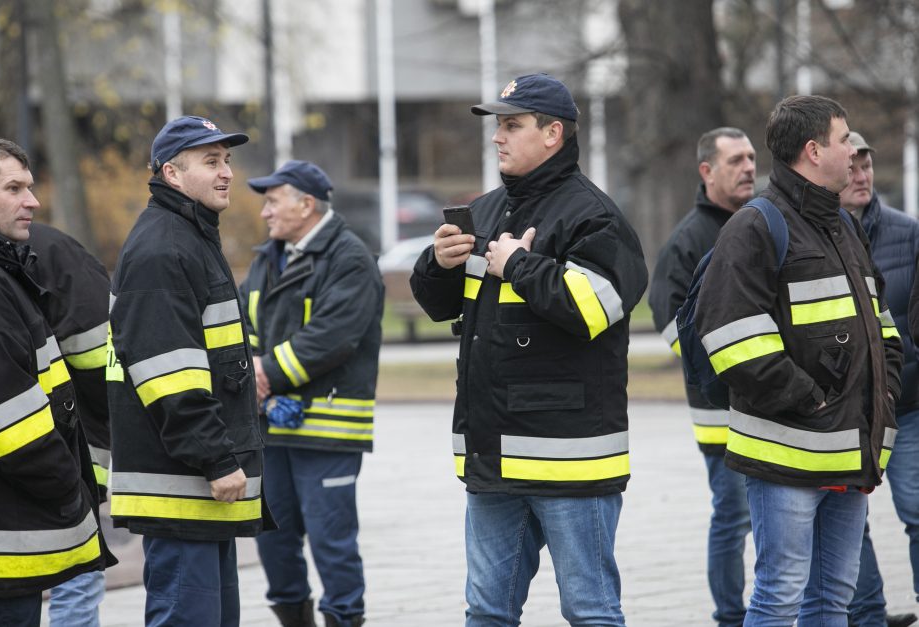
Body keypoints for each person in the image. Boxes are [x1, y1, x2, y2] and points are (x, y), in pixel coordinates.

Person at [410, 73, 648, 626]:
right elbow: (444, 306)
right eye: (497, 125)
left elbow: (595, 308)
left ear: (553, 133)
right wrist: (437, 263)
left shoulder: (596, 216)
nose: (498, 137)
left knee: (590, 611)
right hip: (493, 460)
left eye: (512, 125)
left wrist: (519, 265)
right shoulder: (488, 209)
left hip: (570, 461)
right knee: (488, 612)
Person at [695, 95, 904, 626]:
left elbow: (881, 328)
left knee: (834, 596)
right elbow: (730, 336)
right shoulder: (754, 227)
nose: (854, 154)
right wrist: (811, 400)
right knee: (781, 594)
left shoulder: (844, 226)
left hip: (846, 450)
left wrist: (882, 393)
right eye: (843, 140)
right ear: (813, 151)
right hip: (789, 455)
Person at [107, 116, 268, 627]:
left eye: (227, 162)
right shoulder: (165, 248)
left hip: (194, 486)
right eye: (211, 162)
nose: (226, 174)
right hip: (183, 485)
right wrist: (217, 460)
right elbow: (169, 374)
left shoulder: (188, 236)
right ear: (172, 174)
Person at [239, 160, 383, 627]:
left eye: (273, 201)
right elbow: (241, 323)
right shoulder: (268, 258)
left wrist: (264, 372)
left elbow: (332, 337)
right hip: (270, 427)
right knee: (273, 541)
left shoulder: (350, 259)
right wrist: (249, 370)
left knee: (331, 541)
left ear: (306, 204)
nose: (265, 213)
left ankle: (343, 617)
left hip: (328, 430)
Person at [0, 135, 114, 625]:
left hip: (11, 513)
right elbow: (5, 419)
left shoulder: (6, 263)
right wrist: (70, 487)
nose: (32, 201)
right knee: (75, 592)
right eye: (13, 188)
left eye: (30, 187)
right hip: (9, 525)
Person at [649, 127, 756, 627]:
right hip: (720, 416)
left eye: (752, 157)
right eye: (735, 159)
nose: (749, 167)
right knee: (733, 518)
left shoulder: (760, 223)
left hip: (769, 405)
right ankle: (730, 617)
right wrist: (730, 369)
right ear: (707, 171)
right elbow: (671, 325)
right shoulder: (688, 240)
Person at [842, 132, 919, 627]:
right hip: (848, 413)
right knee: (850, 527)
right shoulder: (816, 237)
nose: (861, 175)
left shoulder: (908, 233)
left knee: (918, 513)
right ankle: (867, 615)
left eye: (866, 164)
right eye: (850, 165)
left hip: (908, 407)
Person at [28, 221, 113, 626]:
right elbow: (103, 357)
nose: (30, 199)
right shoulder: (50, 248)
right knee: (77, 577)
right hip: (63, 450)